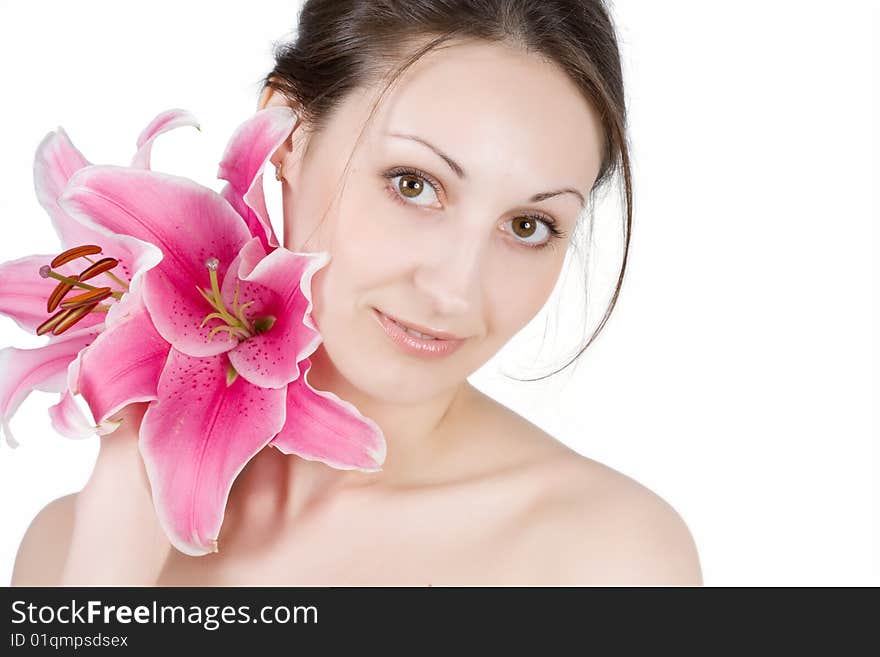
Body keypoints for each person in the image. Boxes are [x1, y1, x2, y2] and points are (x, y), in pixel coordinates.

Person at [11, 0, 702, 586]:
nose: (453, 291)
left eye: (528, 225)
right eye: (414, 183)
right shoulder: (65, 548)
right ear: (285, 137)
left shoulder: (609, 559)